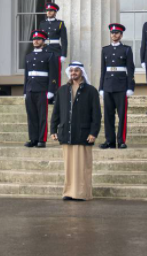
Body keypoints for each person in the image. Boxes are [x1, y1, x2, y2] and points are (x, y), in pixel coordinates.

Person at [50, 61, 102, 201]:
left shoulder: (91, 91)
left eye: (76, 71)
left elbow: (96, 115)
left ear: (82, 73)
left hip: (83, 134)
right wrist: (53, 129)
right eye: (71, 70)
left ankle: (81, 193)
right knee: (69, 167)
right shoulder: (62, 90)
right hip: (66, 133)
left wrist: (93, 133)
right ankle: (68, 192)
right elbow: (56, 112)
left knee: (82, 166)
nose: (73, 73)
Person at [99, 23, 135, 149]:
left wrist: (130, 87)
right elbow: (103, 70)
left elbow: (130, 69)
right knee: (108, 115)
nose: (114, 35)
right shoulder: (105, 49)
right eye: (112, 33)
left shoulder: (126, 49)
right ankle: (109, 140)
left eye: (117, 33)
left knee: (122, 115)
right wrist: (101, 87)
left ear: (121, 35)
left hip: (121, 86)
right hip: (108, 85)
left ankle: (121, 140)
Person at [24, 29, 59, 148]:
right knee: (31, 115)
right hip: (30, 89)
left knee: (41, 116)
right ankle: (33, 138)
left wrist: (50, 91)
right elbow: (26, 76)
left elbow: (53, 75)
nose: (35, 41)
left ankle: (41, 139)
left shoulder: (49, 55)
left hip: (42, 89)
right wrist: (25, 90)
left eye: (38, 39)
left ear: (43, 41)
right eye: (34, 39)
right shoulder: (28, 56)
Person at [39, 2, 68, 98]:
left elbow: (64, 40)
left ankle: (56, 94)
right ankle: (45, 93)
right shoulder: (42, 24)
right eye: (47, 10)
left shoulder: (60, 24)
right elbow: (39, 39)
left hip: (55, 51)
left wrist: (63, 54)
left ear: (55, 12)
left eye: (51, 10)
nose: (48, 12)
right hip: (44, 50)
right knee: (44, 72)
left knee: (55, 73)